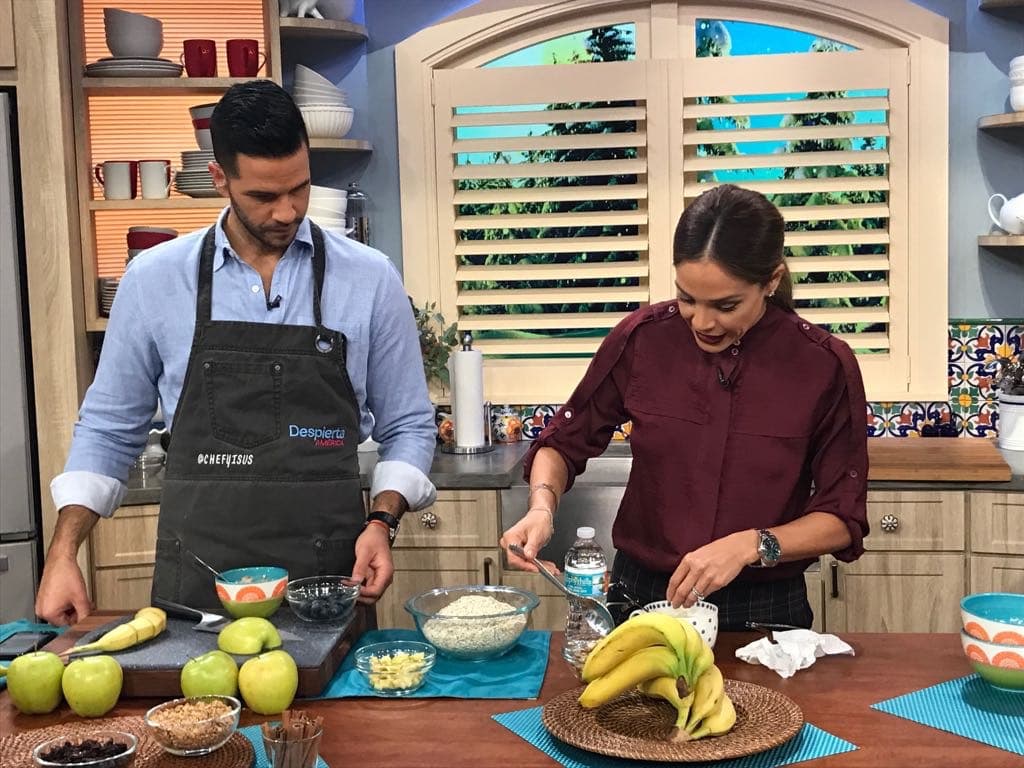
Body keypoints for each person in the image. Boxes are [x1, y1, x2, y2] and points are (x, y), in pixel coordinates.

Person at [35, 80, 437, 625]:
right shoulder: (154, 280)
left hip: (328, 581)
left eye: (298, 188)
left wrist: (382, 522)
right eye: (263, 197)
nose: (287, 211)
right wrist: (63, 553)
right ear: (220, 178)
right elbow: (108, 429)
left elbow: (410, 425)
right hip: (199, 582)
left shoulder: (370, 279)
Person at [500, 184, 869, 630]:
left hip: (764, 611)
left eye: (726, 305)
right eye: (687, 298)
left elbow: (841, 518)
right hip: (642, 599)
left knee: (771, 706)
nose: (702, 321)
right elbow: (562, 444)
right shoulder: (641, 339)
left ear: (771, 281)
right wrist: (542, 506)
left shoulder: (823, 364)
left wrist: (753, 545)